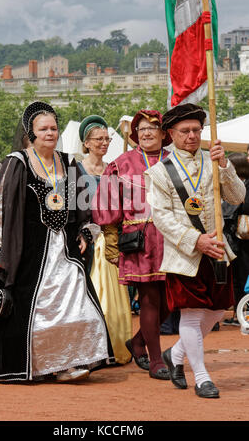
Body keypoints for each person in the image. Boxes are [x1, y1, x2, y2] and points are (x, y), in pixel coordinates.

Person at [0, 101, 114, 383]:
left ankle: (69, 360)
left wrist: (86, 232)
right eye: (43, 129)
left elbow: (82, 206)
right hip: (27, 251)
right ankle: (43, 365)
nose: (50, 133)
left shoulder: (68, 162)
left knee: (77, 304)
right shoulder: (18, 162)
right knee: (36, 312)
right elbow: (1, 208)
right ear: (31, 131)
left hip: (63, 249)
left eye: (53, 127)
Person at [145, 103, 246, 398]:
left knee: (216, 312)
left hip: (217, 250)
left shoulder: (213, 160)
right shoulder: (158, 173)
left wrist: (225, 167)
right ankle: (202, 378)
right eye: (185, 131)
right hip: (184, 255)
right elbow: (162, 218)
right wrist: (195, 240)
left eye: (196, 130)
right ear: (171, 135)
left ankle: (175, 355)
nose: (192, 135)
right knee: (191, 316)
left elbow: (238, 197)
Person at [93, 109, 172, 380]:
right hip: (140, 241)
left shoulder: (176, 161)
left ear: (164, 133)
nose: (147, 132)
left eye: (153, 127)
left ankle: (138, 342)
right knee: (149, 299)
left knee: (172, 302)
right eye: (142, 128)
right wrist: (112, 245)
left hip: (174, 240)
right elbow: (107, 206)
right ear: (134, 134)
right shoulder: (121, 163)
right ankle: (156, 360)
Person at [77, 115, 132, 365]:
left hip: (113, 240)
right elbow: (72, 209)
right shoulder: (75, 170)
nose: (105, 143)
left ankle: (116, 345)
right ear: (86, 143)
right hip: (87, 241)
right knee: (91, 296)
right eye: (99, 139)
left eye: (107, 138)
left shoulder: (114, 168)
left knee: (117, 299)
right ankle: (93, 350)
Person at [222, 153, 249, 325]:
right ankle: (239, 313)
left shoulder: (242, 185)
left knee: (241, 277)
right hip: (238, 238)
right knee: (239, 277)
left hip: (242, 239)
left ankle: (240, 314)